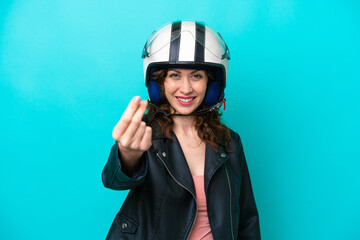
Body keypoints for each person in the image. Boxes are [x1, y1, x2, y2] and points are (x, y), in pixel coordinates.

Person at [102, 20, 261, 240]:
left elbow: (247, 219)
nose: (186, 88)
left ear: (211, 85)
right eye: (174, 75)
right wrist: (127, 153)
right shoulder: (144, 134)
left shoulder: (230, 142)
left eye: (196, 76)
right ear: (159, 83)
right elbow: (114, 180)